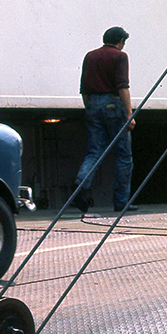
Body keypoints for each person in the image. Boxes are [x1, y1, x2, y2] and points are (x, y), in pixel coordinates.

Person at [70, 26, 136, 213]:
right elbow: (122, 86)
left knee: (94, 151)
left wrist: (90, 108)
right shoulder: (120, 56)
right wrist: (129, 113)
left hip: (92, 104)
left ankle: (81, 184)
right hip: (114, 105)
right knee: (123, 155)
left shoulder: (90, 56)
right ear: (120, 41)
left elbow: (84, 89)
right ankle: (121, 202)